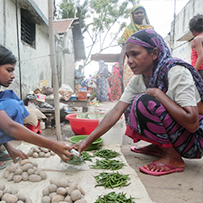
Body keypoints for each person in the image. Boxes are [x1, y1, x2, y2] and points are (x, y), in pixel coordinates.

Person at [74, 29, 203, 176]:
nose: (129, 60)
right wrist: (87, 141)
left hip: (194, 141)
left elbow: (192, 124)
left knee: (145, 102)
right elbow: (116, 111)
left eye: (135, 54)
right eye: (128, 55)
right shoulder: (139, 79)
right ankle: (160, 147)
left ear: (154, 54)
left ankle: (173, 157)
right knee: (131, 107)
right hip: (179, 133)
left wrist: (158, 93)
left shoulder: (176, 72)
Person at [118, 4, 153, 90]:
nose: (139, 15)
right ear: (132, 16)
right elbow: (123, 49)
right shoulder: (128, 30)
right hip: (131, 58)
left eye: (141, 12)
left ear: (144, 14)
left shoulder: (150, 29)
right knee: (130, 85)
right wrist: (121, 65)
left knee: (147, 84)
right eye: (136, 13)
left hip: (146, 58)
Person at [189, 14, 203, 78]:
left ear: (192, 30)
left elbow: (201, 56)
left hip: (200, 70)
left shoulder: (198, 39)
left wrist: (194, 72)